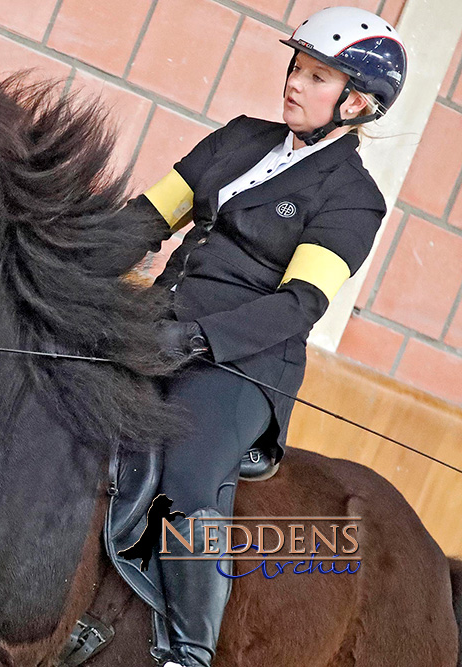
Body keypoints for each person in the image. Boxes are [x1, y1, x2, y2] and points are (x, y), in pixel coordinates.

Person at [119, 7, 408, 667]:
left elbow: (298, 305)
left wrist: (194, 339)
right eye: (297, 68)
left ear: (357, 103)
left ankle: (189, 647)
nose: (295, 84)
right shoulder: (241, 138)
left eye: (316, 76)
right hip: (159, 323)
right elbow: (146, 219)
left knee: (190, 472)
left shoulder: (353, 197)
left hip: (242, 365)